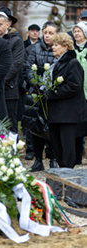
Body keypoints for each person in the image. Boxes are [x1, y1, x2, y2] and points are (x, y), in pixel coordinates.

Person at [44, 32, 87, 168]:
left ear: (66, 47)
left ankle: (67, 171)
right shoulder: (55, 63)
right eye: (53, 45)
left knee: (67, 144)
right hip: (56, 111)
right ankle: (61, 169)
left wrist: (53, 92)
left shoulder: (72, 63)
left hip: (68, 112)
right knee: (56, 144)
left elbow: (75, 85)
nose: (53, 47)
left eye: (56, 45)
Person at [23, 21, 60, 171]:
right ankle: (38, 160)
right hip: (36, 93)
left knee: (51, 128)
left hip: (52, 94)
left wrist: (51, 87)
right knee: (36, 127)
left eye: (51, 33)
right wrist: (36, 84)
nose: (47, 36)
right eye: (46, 33)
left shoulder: (59, 49)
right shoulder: (35, 48)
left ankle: (53, 159)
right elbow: (28, 67)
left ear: (57, 35)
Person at [0, 7, 24, 135]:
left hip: (9, 89)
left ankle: (12, 153)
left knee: (10, 125)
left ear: (8, 24)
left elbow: (15, 65)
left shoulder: (16, 40)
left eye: (0, 24)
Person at [72, 21, 87, 164]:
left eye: (79, 31)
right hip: (76, 93)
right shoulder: (71, 50)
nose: (76, 34)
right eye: (75, 31)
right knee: (77, 126)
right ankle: (77, 157)